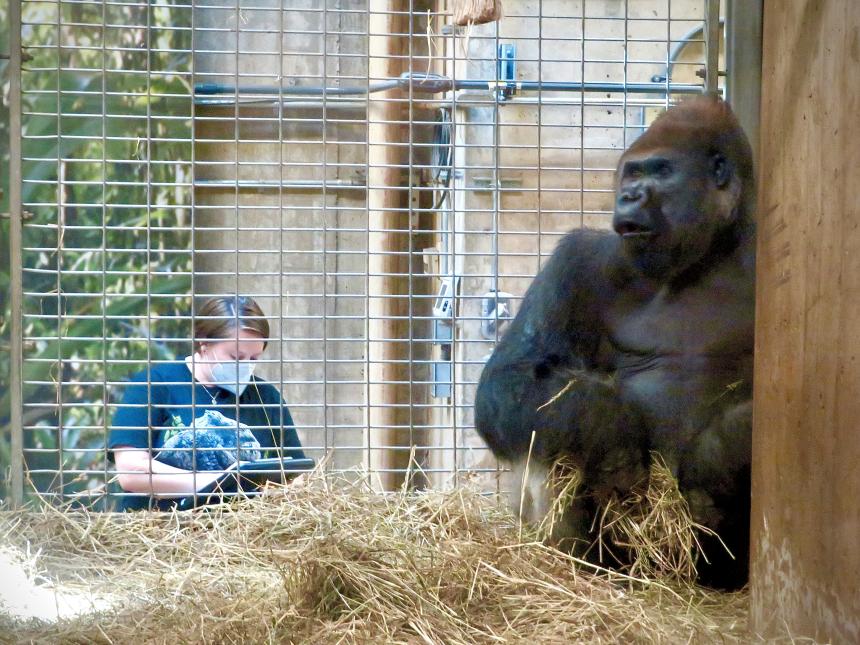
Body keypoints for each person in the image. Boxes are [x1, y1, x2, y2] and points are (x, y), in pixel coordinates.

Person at [109, 296, 306, 511]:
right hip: (160, 530)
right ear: (204, 342)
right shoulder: (153, 385)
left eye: (253, 359)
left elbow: (295, 476)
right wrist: (220, 485)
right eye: (236, 356)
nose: (245, 367)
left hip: (243, 536)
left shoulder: (266, 397)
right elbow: (130, 472)